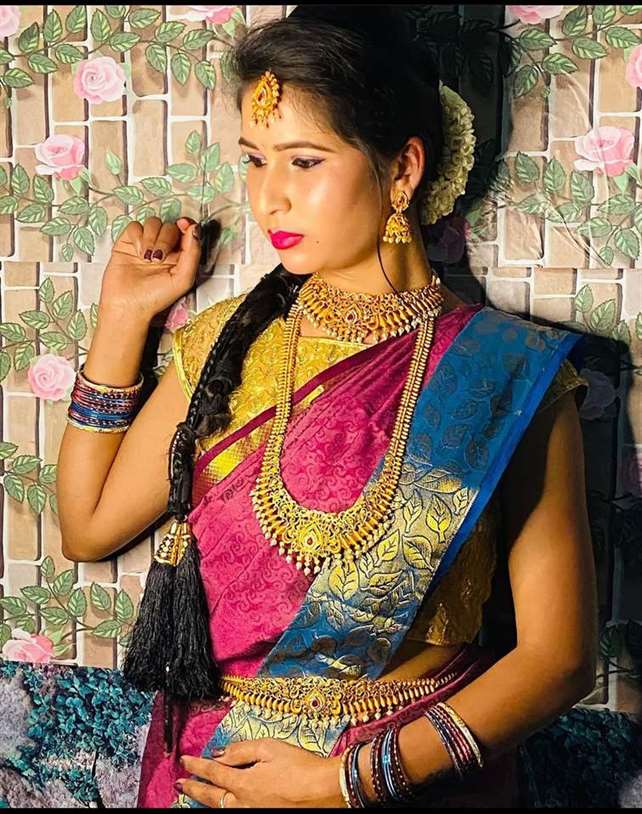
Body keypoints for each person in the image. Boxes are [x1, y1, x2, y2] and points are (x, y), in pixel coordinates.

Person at [56, 5, 598, 809]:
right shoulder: (230, 343)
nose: (269, 198)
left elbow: (559, 661)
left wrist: (344, 781)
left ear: (402, 169)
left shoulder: (510, 372)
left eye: (304, 161)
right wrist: (120, 319)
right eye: (253, 160)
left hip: (409, 781)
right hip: (212, 775)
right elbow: (88, 526)